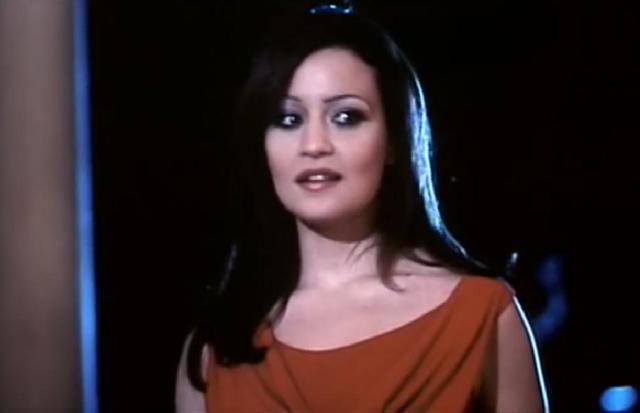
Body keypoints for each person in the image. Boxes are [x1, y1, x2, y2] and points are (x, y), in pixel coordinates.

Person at [176, 4, 549, 413]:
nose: (314, 145)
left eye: (345, 116)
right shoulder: (216, 349)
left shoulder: (481, 314)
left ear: (394, 140)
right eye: (288, 119)